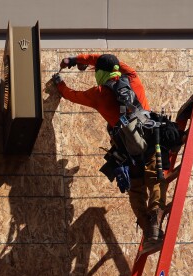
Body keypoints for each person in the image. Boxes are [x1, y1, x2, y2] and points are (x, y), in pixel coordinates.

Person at [52, 53, 166, 246]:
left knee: (136, 190)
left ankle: (148, 232)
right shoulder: (132, 77)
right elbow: (109, 61)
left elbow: (72, 95)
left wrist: (59, 82)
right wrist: (79, 60)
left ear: (100, 73)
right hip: (152, 140)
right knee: (155, 182)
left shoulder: (98, 94)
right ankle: (155, 225)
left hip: (129, 151)